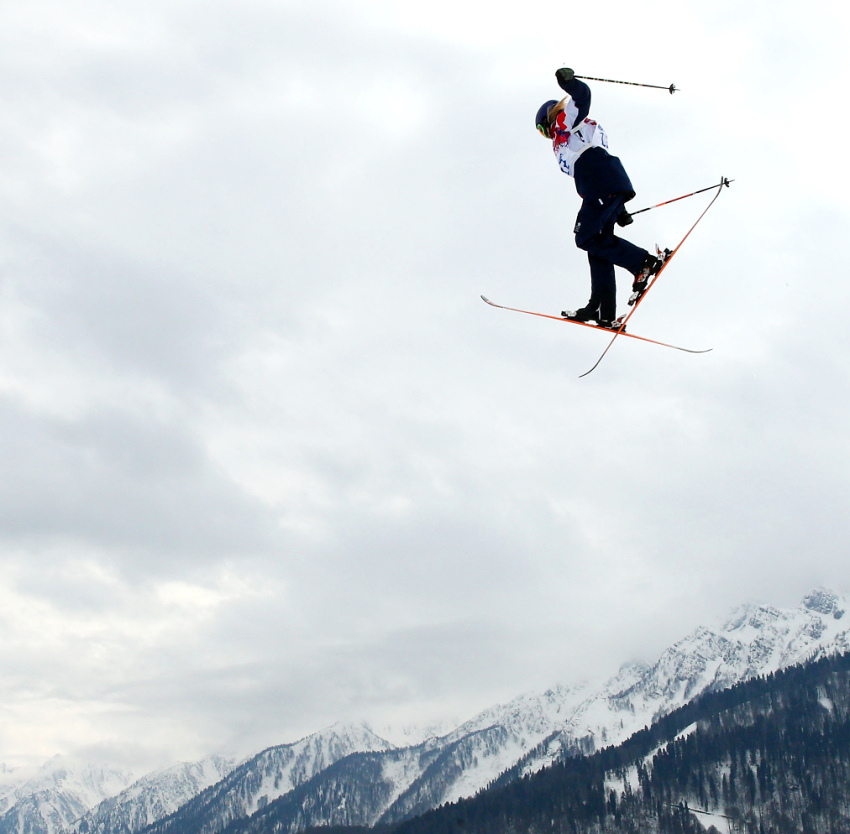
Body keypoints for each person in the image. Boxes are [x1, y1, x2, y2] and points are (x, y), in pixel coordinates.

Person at [536, 68, 667, 329]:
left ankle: (643, 263)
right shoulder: (576, 132)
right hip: (605, 182)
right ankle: (602, 309)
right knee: (597, 245)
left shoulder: (565, 123)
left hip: (597, 181)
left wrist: (569, 83)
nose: (546, 135)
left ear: (548, 119)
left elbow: (582, 97)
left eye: (542, 129)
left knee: (585, 237)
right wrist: (618, 209)